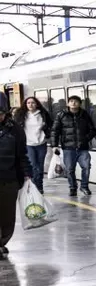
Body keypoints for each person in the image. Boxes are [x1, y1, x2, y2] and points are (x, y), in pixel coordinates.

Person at [0, 94, 30, 259]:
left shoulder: (15, 130)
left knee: (7, 215)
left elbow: (22, 155)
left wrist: (27, 174)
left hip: (9, 178)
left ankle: (2, 241)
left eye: (1, 113)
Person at [52, 95, 96, 197]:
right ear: (68, 103)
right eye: (71, 101)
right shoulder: (61, 115)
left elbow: (93, 130)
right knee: (70, 169)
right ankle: (73, 188)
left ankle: (84, 186)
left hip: (83, 148)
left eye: (76, 101)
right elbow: (55, 131)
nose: (73, 103)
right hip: (68, 148)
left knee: (86, 167)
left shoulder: (84, 115)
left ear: (80, 104)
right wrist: (54, 145)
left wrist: (85, 139)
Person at [16, 97, 51, 194]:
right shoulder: (21, 115)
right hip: (28, 144)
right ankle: (36, 187)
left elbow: (50, 125)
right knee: (33, 165)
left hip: (41, 143)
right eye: (28, 103)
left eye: (33, 103)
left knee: (40, 166)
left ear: (37, 104)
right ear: (25, 104)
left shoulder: (43, 114)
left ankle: (39, 186)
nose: (30, 105)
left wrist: (47, 133)